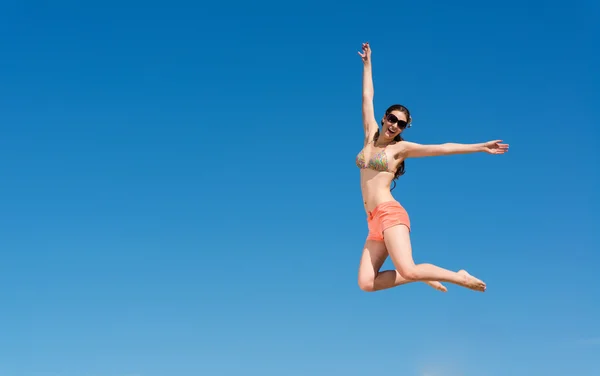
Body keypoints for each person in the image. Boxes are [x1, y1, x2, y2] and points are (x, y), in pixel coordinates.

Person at [356, 42, 509, 293]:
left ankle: (458, 276)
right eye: (392, 119)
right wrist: (367, 64)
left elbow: (442, 147)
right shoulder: (369, 135)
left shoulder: (399, 149)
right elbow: (367, 97)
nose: (395, 125)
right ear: (384, 118)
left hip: (389, 213)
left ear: (404, 129)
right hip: (372, 219)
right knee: (366, 283)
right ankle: (420, 274)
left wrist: (480, 146)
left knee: (409, 268)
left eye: (401, 124)